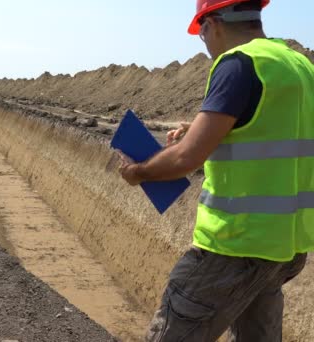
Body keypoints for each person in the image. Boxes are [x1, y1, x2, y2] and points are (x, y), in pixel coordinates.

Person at [116, 0, 314, 340]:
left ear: (215, 23)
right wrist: (206, 129)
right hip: (285, 248)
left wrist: (138, 172)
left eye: (201, 31)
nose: (204, 42)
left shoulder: (237, 65)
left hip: (233, 245)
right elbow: (277, 129)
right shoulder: (299, 66)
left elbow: (184, 160)